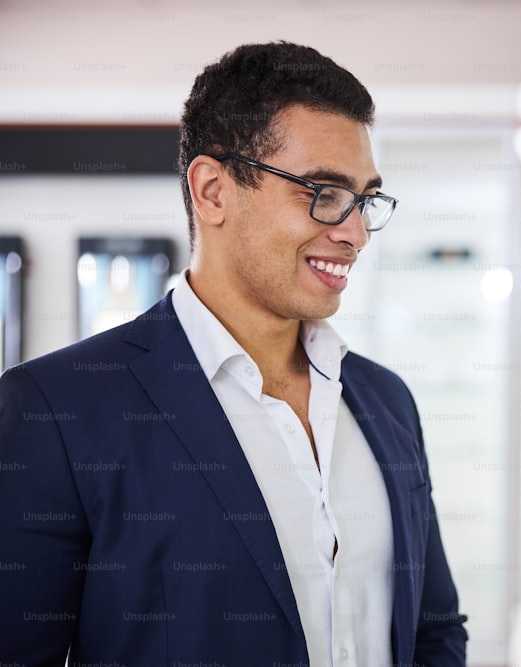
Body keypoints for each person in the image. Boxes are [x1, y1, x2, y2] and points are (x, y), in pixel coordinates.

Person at [0, 42, 467, 666]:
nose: (353, 232)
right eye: (324, 192)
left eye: (364, 200)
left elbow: (433, 630)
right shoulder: (58, 409)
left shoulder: (386, 400)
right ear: (214, 190)